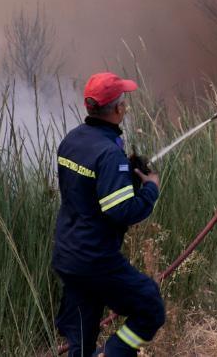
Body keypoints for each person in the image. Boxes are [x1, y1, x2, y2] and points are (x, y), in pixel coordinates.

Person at [52, 72, 165, 356]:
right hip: (96, 259)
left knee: (81, 340)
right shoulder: (108, 155)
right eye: (124, 103)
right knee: (150, 307)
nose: (125, 107)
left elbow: (86, 190)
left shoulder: (73, 140)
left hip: (68, 255)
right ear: (116, 109)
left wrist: (125, 174)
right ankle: (113, 353)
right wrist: (150, 188)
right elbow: (121, 211)